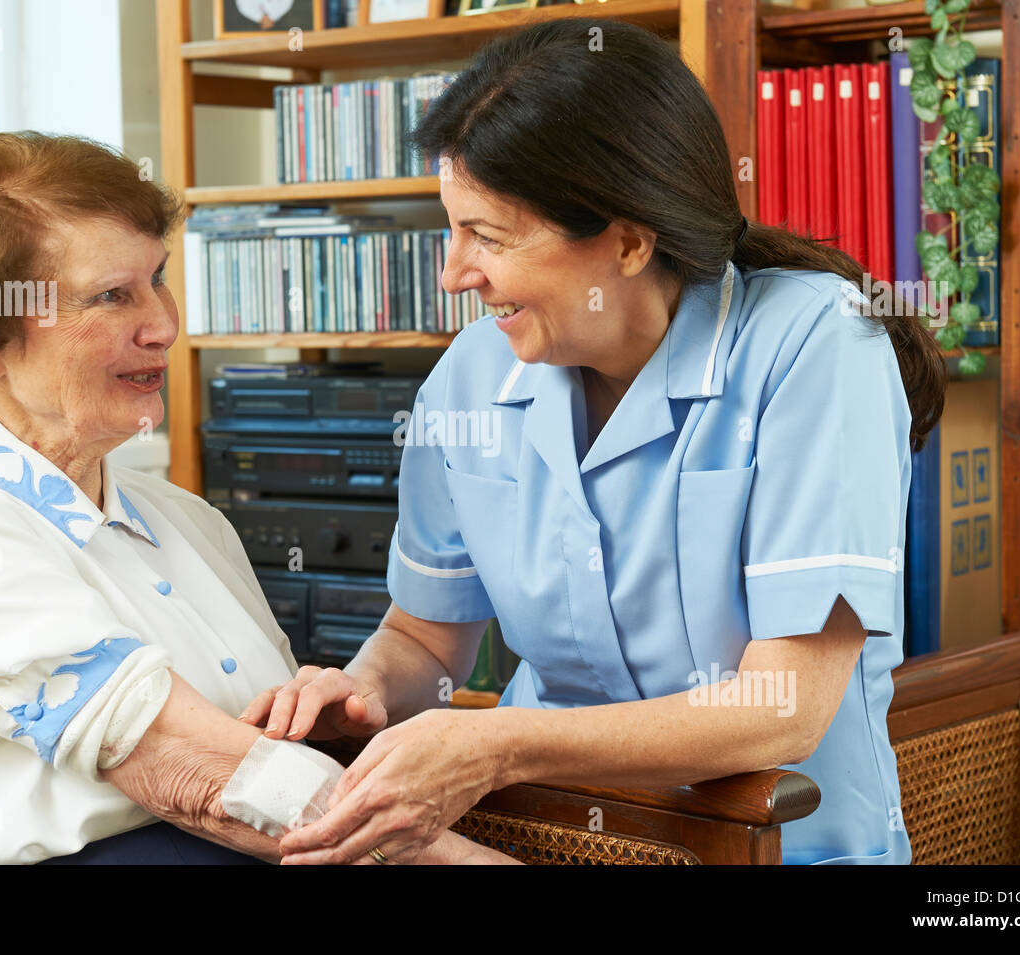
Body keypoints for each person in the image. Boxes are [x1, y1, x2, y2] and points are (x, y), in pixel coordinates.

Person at [244, 18, 948, 865]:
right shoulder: (471, 379)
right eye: (453, 229)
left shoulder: (816, 347)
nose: (453, 271)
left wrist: (499, 745)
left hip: (776, 845)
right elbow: (427, 641)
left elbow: (784, 706)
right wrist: (361, 691)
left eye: (489, 237)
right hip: (537, 839)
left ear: (626, 239)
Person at [0, 131, 511, 865]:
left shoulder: (191, 523)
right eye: (111, 296)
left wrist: (332, 720)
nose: (161, 325)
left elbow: (270, 761)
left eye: (157, 278)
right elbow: (199, 770)